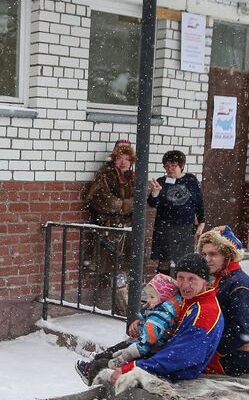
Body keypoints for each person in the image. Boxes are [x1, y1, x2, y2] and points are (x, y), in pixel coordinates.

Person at [109, 253, 223, 384]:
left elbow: (180, 357)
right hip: (164, 358)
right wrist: (143, 322)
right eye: (180, 278)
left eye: (192, 279)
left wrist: (133, 367)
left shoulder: (205, 312)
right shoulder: (191, 299)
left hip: (178, 372)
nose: (185, 285)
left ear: (205, 281)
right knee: (113, 354)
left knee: (105, 366)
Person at [74, 273, 182, 384]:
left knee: (112, 355)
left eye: (152, 297)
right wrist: (140, 321)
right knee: (114, 350)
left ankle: (91, 372)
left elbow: (145, 344)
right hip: (139, 343)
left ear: (165, 296)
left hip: (141, 349)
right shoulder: (162, 309)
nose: (148, 301)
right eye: (148, 296)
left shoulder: (159, 316)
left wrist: (124, 357)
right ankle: (96, 360)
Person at [198, 225, 249, 376]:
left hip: (235, 358)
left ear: (228, 255)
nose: (207, 259)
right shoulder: (223, 280)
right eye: (204, 254)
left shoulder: (240, 286)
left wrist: (210, 349)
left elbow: (242, 332)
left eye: (213, 254)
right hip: (225, 352)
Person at [81, 139, 137, 309]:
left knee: (125, 267)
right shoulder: (105, 175)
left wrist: (126, 205)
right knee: (115, 268)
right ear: (114, 158)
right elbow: (103, 200)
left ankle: (124, 307)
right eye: (120, 157)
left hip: (128, 229)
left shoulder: (134, 177)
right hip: (109, 228)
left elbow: (141, 202)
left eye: (127, 158)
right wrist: (125, 205)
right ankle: (123, 308)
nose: (123, 162)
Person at [147, 149, 205, 273]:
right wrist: (155, 193)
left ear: (181, 166)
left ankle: (181, 290)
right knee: (164, 261)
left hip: (184, 227)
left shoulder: (190, 180)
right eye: (167, 166)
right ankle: (163, 290)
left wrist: (201, 221)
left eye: (173, 166)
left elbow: (199, 202)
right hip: (164, 227)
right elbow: (152, 204)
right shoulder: (161, 181)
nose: (170, 169)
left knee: (183, 262)